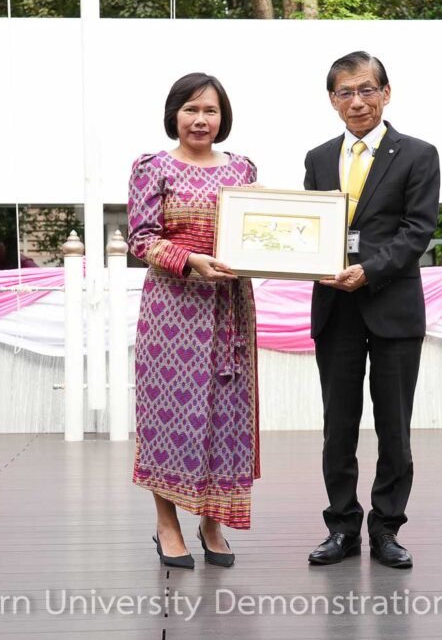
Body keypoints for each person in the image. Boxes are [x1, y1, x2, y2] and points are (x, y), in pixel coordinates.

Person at [303, 51, 440, 569]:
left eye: (366, 90)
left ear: (386, 93)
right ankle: (341, 528)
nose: (357, 101)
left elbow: (418, 230)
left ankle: (386, 529)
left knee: (394, 428)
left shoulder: (419, 154)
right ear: (332, 100)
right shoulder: (318, 158)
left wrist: (369, 270)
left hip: (392, 306)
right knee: (337, 427)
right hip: (334, 306)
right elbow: (312, 229)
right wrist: (307, 261)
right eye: (346, 92)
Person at [127, 73, 260, 569]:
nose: (200, 120)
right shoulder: (152, 168)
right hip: (172, 308)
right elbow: (141, 239)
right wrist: (189, 260)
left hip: (230, 308)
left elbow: (257, 230)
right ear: (174, 116)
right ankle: (167, 524)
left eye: (210, 110)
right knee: (167, 417)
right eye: (190, 109)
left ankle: (212, 522)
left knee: (227, 417)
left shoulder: (243, 168)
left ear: (223, 118)